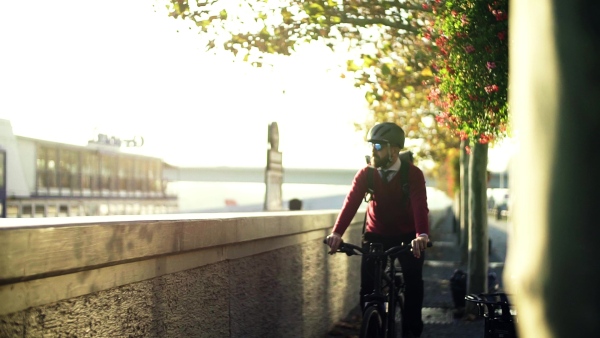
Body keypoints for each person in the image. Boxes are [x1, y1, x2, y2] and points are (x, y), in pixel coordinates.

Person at [326, 122, 430, 338]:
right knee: (367, 290)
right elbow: (351, 203)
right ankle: (374, 326)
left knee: (413, 283)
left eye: (379, 146)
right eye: (372, 145)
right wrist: (337, 233)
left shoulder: (412, 174)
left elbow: (420, 204)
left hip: (408, 236)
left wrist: (421, 235)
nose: (373, 150)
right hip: (376, 234)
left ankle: (412, 330)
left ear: (394, 149)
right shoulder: (367, 174)